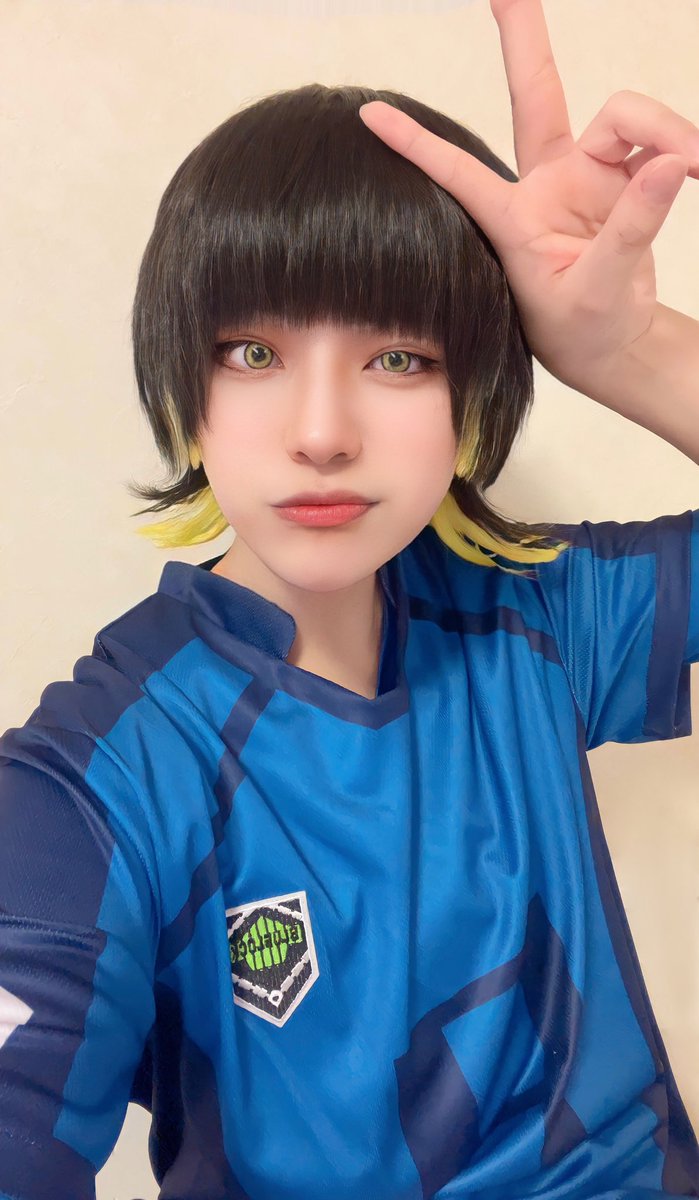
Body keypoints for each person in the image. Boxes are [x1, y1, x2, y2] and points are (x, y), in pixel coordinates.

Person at [1, 0, 698, 1196]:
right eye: (253, 353)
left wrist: (631, 351)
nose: (322, 433)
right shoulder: (106, 773)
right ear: (185, 386)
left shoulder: (535, 622)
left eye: (397, 357)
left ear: (468, 388)